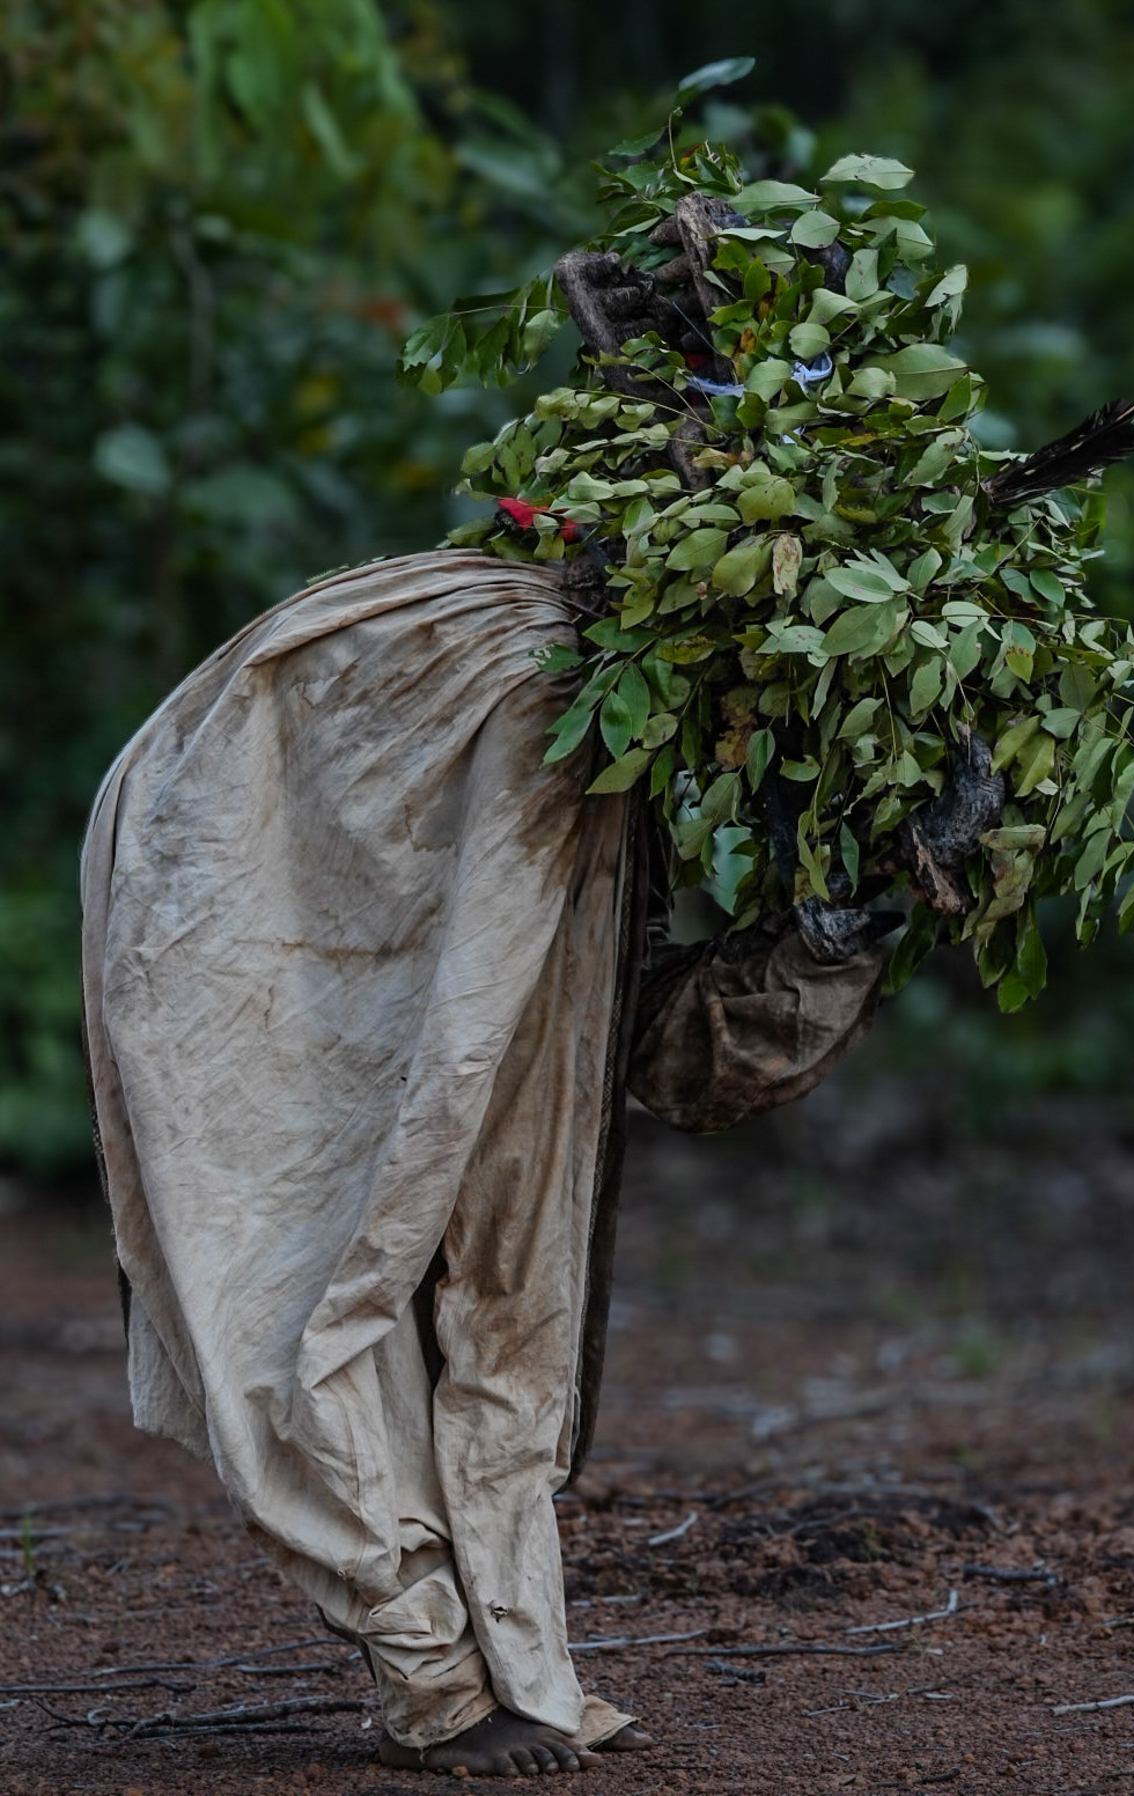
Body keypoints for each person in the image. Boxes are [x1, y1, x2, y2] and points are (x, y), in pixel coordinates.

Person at [81, 542, 898, 1774]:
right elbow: (295, 868)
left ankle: (512, 1665)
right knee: (315, 1297)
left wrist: (841, 933)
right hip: (265, 998)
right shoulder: (507, 666)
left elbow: (652, 1046)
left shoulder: (611, 733)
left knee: (494, 1303)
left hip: (450, 1032)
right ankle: (434, 1677)